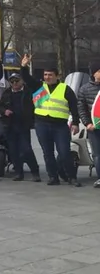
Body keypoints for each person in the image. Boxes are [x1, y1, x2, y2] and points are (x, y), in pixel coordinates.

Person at [21, 54, 82, 187]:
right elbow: (26, 78)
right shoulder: (39, 86)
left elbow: (74, 107)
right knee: (47, 153)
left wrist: (76, 122)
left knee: (64, 152)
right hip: (42, 124)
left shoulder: (65, 89)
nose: (47, 77)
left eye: (50, 75)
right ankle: (53, 177)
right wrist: (23, 66)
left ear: (57, 76)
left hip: (60, 126)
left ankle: (71, 177)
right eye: (45, 75)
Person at [0, 73, 41, 182]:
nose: (14, 83)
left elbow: (36, 102)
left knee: (26, 149)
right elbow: (0, 106)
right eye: (12, 81)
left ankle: (35, 172)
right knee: (13, 150)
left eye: (17, 81)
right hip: (10, 125)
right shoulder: (7, 93)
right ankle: (19, 173)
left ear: (22, 81)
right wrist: (4, 111)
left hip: (24, 125)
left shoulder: (28, 92)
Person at [76, 65, 100, 188]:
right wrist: (87, 123)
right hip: (94, 128)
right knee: (97, 153)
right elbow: (81, 108)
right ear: (94, 74)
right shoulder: (85, 89)